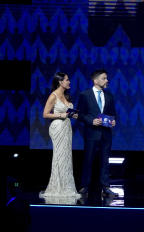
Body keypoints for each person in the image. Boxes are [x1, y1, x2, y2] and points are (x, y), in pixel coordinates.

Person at [78, 69, 117, 198]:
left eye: (106, 78)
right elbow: (80, 114)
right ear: (95, 80)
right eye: (104, 78)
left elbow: (113, 113)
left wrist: (113, 121)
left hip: (106, 133)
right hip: (91, 133)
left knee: (105, 161)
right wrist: (91, 121)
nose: (107, 80)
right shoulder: (85, 95)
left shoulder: (109, 96)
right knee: (88, 159)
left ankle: (105, 187)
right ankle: (84, 186)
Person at [40, 72, 79, 199]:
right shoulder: (53, 96)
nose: (69, 82)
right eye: (67, 80)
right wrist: (61, 115)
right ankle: (58, 188)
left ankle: (66, 187)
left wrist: (74, 115)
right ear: (60, 82)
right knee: (60, 157)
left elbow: (68, 113)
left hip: (67, 127)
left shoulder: (66, 96)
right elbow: (45, 114)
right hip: (57, 127)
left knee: (66, 158)